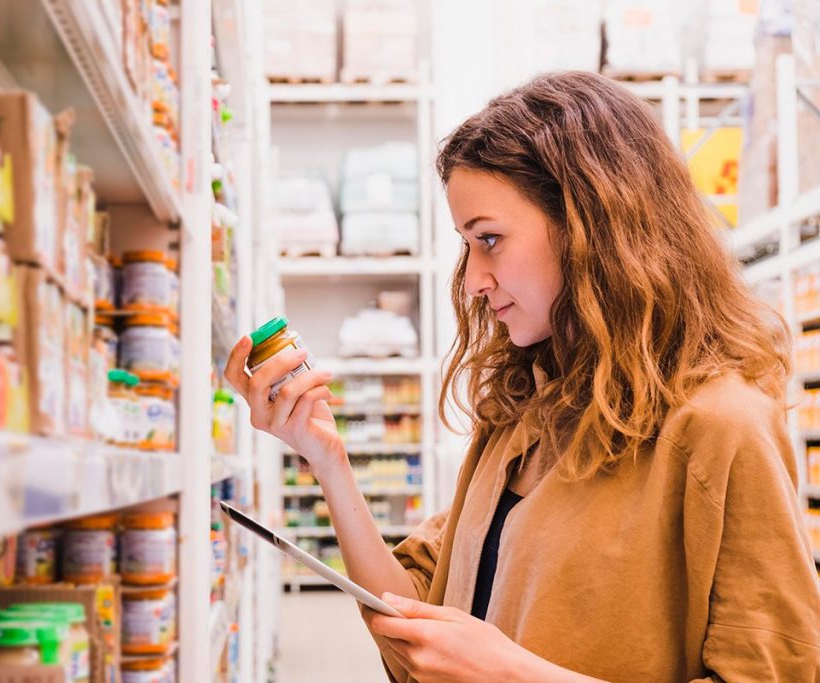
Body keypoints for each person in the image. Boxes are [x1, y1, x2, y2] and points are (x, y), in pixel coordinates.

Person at [224, 71, 820, 682]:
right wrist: (327, 460)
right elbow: (416, 618)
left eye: (490, 239)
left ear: (592, 225)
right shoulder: (523, 413)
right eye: (467, 245)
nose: (473, 281)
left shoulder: (722, 428)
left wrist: (512, 674)